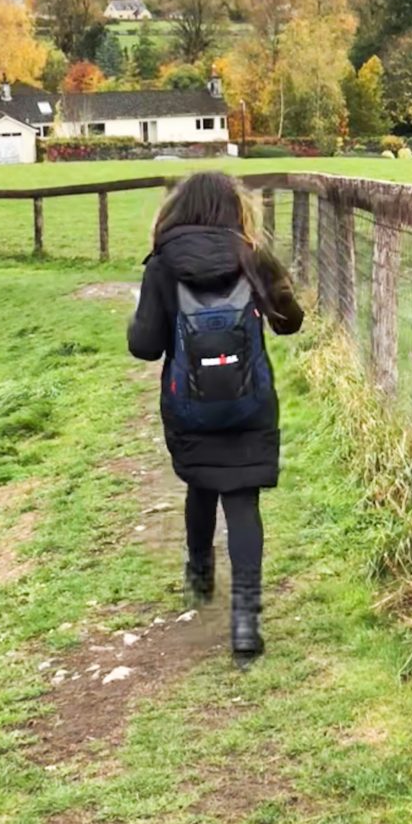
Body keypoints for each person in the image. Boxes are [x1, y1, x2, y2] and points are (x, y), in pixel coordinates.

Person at [127, 172, 303, 662]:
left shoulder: (162, 265)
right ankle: (246, 625)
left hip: (189, 405)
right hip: (250, 403)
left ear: (179, 210)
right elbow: (290, 323)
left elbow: (145, 347)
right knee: (242, 499)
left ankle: (199, 573)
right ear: (234, 208)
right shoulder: (253, 257)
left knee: (201, 482)